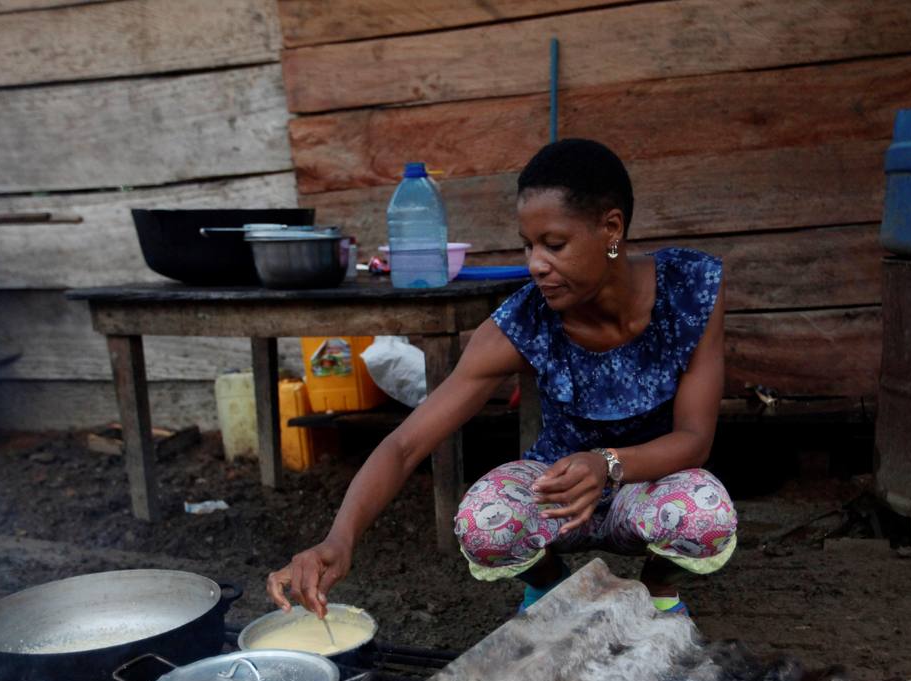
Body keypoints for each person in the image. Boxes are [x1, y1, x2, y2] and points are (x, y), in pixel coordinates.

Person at [267, 138, 737, 618]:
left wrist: (607, 463)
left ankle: (657, 591)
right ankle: (551, 587)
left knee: (704, 512)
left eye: (554, 245)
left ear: (611, 229)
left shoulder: (690, 291)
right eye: (528, 245)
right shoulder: (523, 324)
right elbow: (406, 444)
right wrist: (338, 539)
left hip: (648, 488)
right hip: (556, 496)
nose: (536, 264)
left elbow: (695, 439)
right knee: (482, 520)